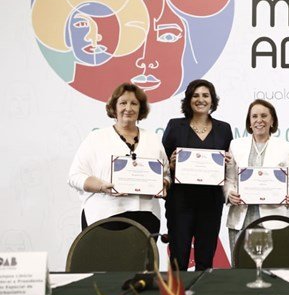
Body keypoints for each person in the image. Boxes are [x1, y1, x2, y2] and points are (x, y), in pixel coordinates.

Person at [68, 83, 170, 234]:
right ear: (114, 107)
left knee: (143, 259)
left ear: (141, 109)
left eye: (134, 103)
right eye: (123, 103)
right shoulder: (96, 138)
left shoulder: (153, 139)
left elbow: (166, 174)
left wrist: (164, 183)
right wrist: (101, 186)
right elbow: (75, 176)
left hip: (147, 218)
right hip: (104, 216)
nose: (128, 108)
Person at [162, 80, 233, 270]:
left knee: (206, 257)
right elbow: (162, 164)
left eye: (205, 95)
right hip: (180, 202)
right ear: (188, 100)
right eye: (195, 95)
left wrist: (227, 161)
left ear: (212, 100)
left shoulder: (224, 129)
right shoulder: (175, 126)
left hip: (210, 202)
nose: (200, 99)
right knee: (179, 256)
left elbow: (230, 169)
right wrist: (171, 163)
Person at [224, 99, 289, 252]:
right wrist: (230, 194)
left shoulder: (286, 147)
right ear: (249, 122)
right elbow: (229, 179)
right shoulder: (235, 145)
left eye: (264, 116)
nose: (259, 120)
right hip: (241, 218)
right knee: (240, 271)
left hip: (274, 218)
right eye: (254, 116)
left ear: (272, 121)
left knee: (273, 268)